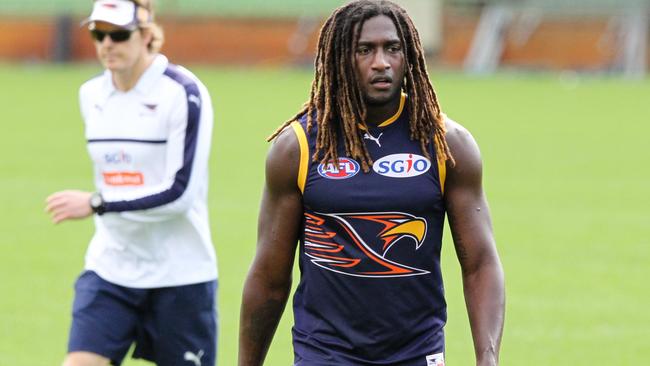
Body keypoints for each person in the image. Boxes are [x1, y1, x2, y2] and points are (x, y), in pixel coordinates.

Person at [239, 1, 504, 365]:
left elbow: (480, 264)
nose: (381, 62)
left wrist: (487, 358)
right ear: (340, 59)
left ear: (408, 55)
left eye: (392, 48)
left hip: (416, 354)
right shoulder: (297, 148)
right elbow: (269, 278)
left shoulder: (447, 144)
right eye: (365, 50)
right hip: (325, 353)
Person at [45, 1, 217, 365]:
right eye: (98, 33)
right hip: (110, 270)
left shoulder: (183, 93)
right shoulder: (90, 95)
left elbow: (179, 193)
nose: (107, 44)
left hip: (180, 277)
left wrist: (97, 203)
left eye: (119, 34)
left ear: (146, 33)